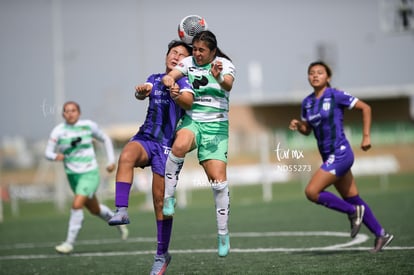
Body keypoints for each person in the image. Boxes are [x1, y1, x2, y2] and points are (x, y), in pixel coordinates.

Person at [107, 40, 194, 275]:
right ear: (166, 56)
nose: (176, 57)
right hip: (146, 138)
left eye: (182, 56)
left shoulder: (185, 81)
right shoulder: (154, 78)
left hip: (167, 147)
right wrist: (140, 91)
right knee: (126, 155)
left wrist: (176, 93)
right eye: (173, 52)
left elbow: (189, 100)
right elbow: (143, 91)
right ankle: (121, 209)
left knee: (160, 203)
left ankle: (161, 254)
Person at [289, 61, 393, 253]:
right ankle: (381, 234)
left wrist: (366, 136)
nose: (315, 75)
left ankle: (352, 212)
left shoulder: (336, 95)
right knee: (353, 197)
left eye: (320, 72)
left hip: (341, 153)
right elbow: (308, 130)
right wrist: (299, 126)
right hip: (328, 156)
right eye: (311, 73)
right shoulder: (308, 103)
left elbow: (366, 108)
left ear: (328, 77)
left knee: (312, 192)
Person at [161, 30, 236, 257]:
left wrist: (219, 76)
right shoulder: (187, 62)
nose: (197, 53)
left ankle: (223, 233)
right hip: (193, 121)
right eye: (194, 49)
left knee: (218, 183)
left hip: (216, 128)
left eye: (202, 50)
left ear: (213, 51)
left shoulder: (224, 64)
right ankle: (169, 198)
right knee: (179, 145)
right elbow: (171, 75)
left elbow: (228, 85)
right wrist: (169, 81)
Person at [45, 101, 128, 254]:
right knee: (94, 209)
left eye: (73, 110)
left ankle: (69, 243)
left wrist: (110, 161)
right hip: (72, 176)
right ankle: (118, 221)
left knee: (77, 205)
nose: (70, 113)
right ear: (63, 114)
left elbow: (106, 139)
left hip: (89, 173)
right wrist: (57, 156)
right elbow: (48, 153)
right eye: (67, 111)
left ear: (79, 113)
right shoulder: (58, 131)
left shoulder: (88, 126)